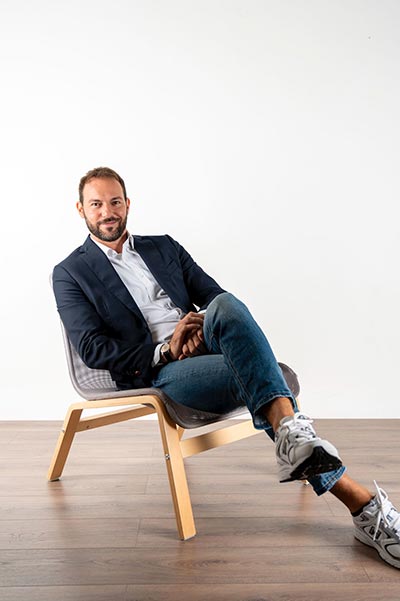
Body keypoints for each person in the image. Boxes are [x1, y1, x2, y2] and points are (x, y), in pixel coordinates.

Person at [53, 166, 400, 569]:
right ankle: (361, 504)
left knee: (225, 304)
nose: (107, 212)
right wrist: (167, 349)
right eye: (96, 204)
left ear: (127, 204)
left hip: (206, 343)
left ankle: (300, 445)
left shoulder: (163, 247)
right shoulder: (70, 272)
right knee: (269, 379)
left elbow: (213, 295)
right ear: (81, 209)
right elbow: (93, 349)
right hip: (163, 370)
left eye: (115, 202)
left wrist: (195, 329)